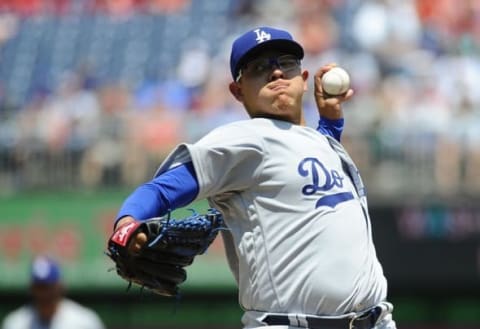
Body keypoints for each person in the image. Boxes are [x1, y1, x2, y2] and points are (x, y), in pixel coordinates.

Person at [113, 26, 396, 329]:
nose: (275, 73)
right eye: (259, 67)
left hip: (377, 321)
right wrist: (126, 222)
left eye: (285, 63)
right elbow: (161, 190)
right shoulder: (244, 140)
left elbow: (302, 155)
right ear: (238, 91)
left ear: (302, 80)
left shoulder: (325, 143)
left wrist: (330, 123)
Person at [2, 256, 105, 329]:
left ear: (60, 286)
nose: (44, 293)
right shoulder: (16, 323)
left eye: (48, 287)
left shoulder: (84, 321)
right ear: (32, 288)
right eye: (40, 287)